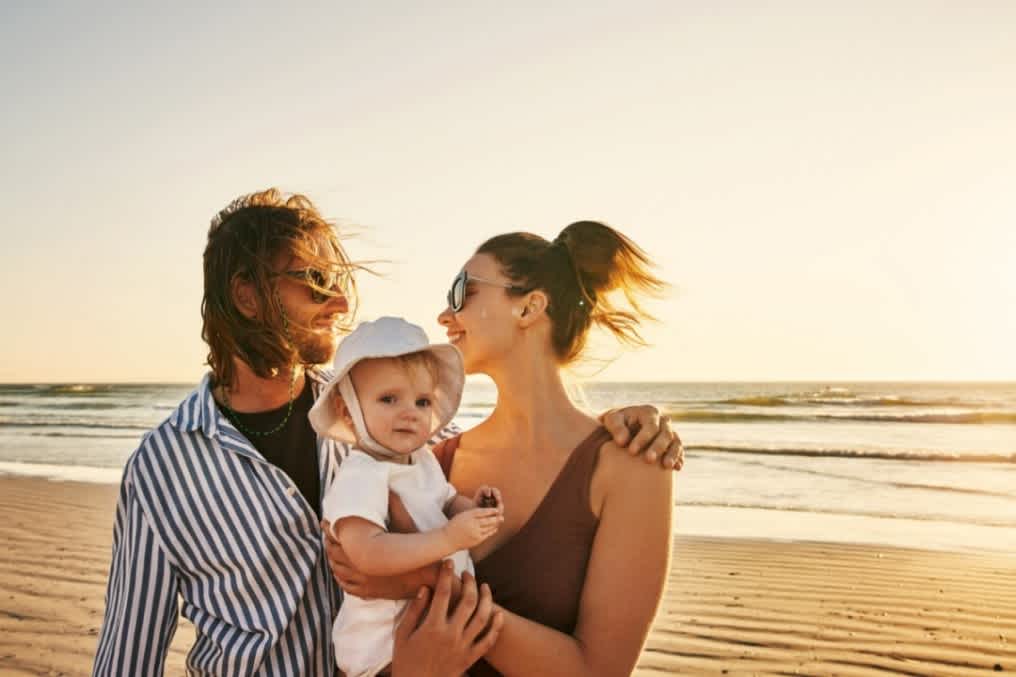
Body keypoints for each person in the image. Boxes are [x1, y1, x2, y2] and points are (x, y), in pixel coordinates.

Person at [91, 188, 681, 677]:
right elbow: (126, 657)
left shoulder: (401, 432)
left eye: (338, 278)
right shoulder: (164, 469)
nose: (339, 299)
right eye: (314, 279)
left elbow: (539, 448)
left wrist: (626, 422)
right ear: (247, 296)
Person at [327, 221, 677, 676]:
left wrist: (433, 584)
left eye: (461, 292)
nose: (444, 315)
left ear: (529, 307)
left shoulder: (633, 464)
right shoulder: (432, 460)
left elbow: (600, 671)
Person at [310, 316, 505, 676]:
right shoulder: (361, 474)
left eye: (422, 401)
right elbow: (366, 553)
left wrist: (473, 509)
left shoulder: (422, 459)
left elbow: (445, 500)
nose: (409, 414)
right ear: (346, 411)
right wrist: (448, 538)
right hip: (383, 650)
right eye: (388, 399)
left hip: (430, 633)